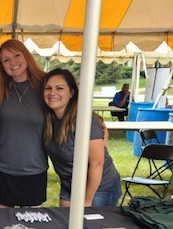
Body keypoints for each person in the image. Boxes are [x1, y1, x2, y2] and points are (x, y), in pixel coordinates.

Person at [43, 68, 121, 207]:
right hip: (70, 185)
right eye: (48, 88)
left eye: (59, 88)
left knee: (90, 228)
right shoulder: (49, 120)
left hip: (98, 188)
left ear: (72, 93)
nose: (52, 93)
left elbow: (97, 163)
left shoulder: (85, 120)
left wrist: (87, 200)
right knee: (65, 225)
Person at [0, 39, 48, 208]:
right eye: (6, 60)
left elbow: (71, 104)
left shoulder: (45, 85)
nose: (13, 63)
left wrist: (96, 121)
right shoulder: (0, 90)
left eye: (17, 55)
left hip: (34, 169)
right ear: (2, 65)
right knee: (1, 227)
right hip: (2, 169)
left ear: (26, 56)